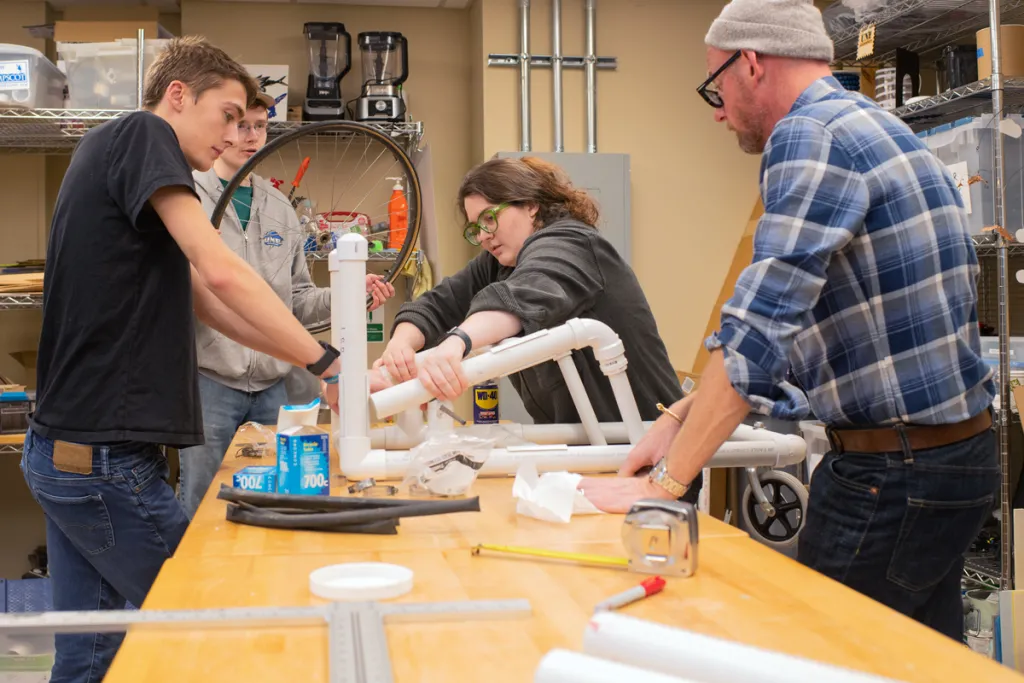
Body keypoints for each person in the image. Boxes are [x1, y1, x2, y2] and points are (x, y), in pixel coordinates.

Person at [579, 0, 998, 642]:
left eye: (712, 87)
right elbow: (824, 338)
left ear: (750, 63)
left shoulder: (810, 136)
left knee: (824, 654)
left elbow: (757, 334)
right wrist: (674, 421)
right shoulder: (874, 127)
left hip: (894, 474)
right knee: (920, 663)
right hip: (951, 460)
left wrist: (665, 486)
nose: (715, 111)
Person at [22, 36, 351, 683]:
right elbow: (222, 272)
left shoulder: (118, 158)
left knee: (90, 656)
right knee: (215, 631)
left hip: (70, 452)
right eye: (227, 114)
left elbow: (207, 300)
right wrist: (329, 364)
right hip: (101, 462)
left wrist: (313, 361)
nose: (235, 133)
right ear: (178, 95)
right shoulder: (145, 134)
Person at [377, 156, 701, 504]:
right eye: (475, 228)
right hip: (594, 456)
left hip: (653, 460)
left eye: (490, 218)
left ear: (531, 206)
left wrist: (457, 342)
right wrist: (400, 346)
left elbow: (523, 294)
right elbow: (438, 303)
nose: (484, 236)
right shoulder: (499, 263)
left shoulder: (572, 243)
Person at [179, 90, 395, 518]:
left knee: (285, 501)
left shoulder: (278, 206)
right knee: (199, 504)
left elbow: (296, 300)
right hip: (209, 381)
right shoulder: (187, 195)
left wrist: (351, 294)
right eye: (242, 125)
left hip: (275, 387)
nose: (252, 136)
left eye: (261, 126)